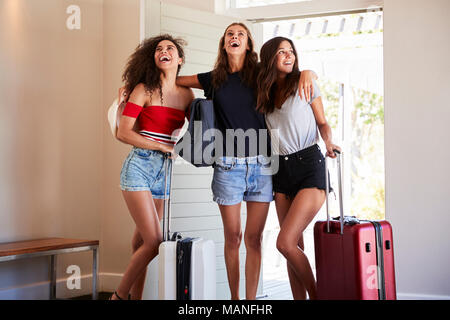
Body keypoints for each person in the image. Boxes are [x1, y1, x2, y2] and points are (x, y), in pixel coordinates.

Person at [176, 23, 317, 300]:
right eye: (230, 34)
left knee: (254, 240)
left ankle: (250, 302)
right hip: (228, 166)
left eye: (241, 34)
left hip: (263, 166)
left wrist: (309, 72)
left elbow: (293, 70)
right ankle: (235, 300)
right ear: (224, 43)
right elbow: (175, 80)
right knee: (233, 238)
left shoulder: (261, 76)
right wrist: (139, 85)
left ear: (249, 44)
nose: (235, 37)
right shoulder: (212, 79)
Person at [256, 36, 340, 300]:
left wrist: (328, 142)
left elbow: (322, 123)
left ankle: (317, 296)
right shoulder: (265, 92)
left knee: (285, 242)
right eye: (281, 52)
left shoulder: (306, 83)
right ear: (270, 58)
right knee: (294, 246)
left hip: (309, 165)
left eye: (291, 51)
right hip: (280, 170)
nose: (288, 55)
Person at [111, 34, 193, 300]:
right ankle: (119, 296)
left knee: (140, 242)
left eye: (170, 48)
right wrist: (161, 146)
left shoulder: (187, 94)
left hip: (164, 172)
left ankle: (137, 297)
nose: (164, 51)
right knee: (154, 242)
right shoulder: (143, 89)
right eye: (159, 49)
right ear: (154, 58)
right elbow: (123, 133)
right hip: (139, 166)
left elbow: (198, 130)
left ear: (179, 59)